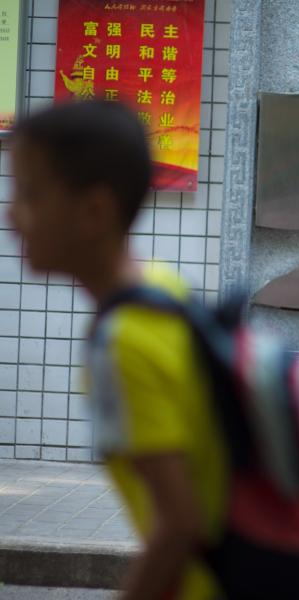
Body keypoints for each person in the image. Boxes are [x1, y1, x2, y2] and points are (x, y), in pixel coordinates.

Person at [8, 101, 227, 599]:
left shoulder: (122, 340)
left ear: (94, 212)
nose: (11, 215)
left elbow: (178, 525)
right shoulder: (161, 287)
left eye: (28, 194)